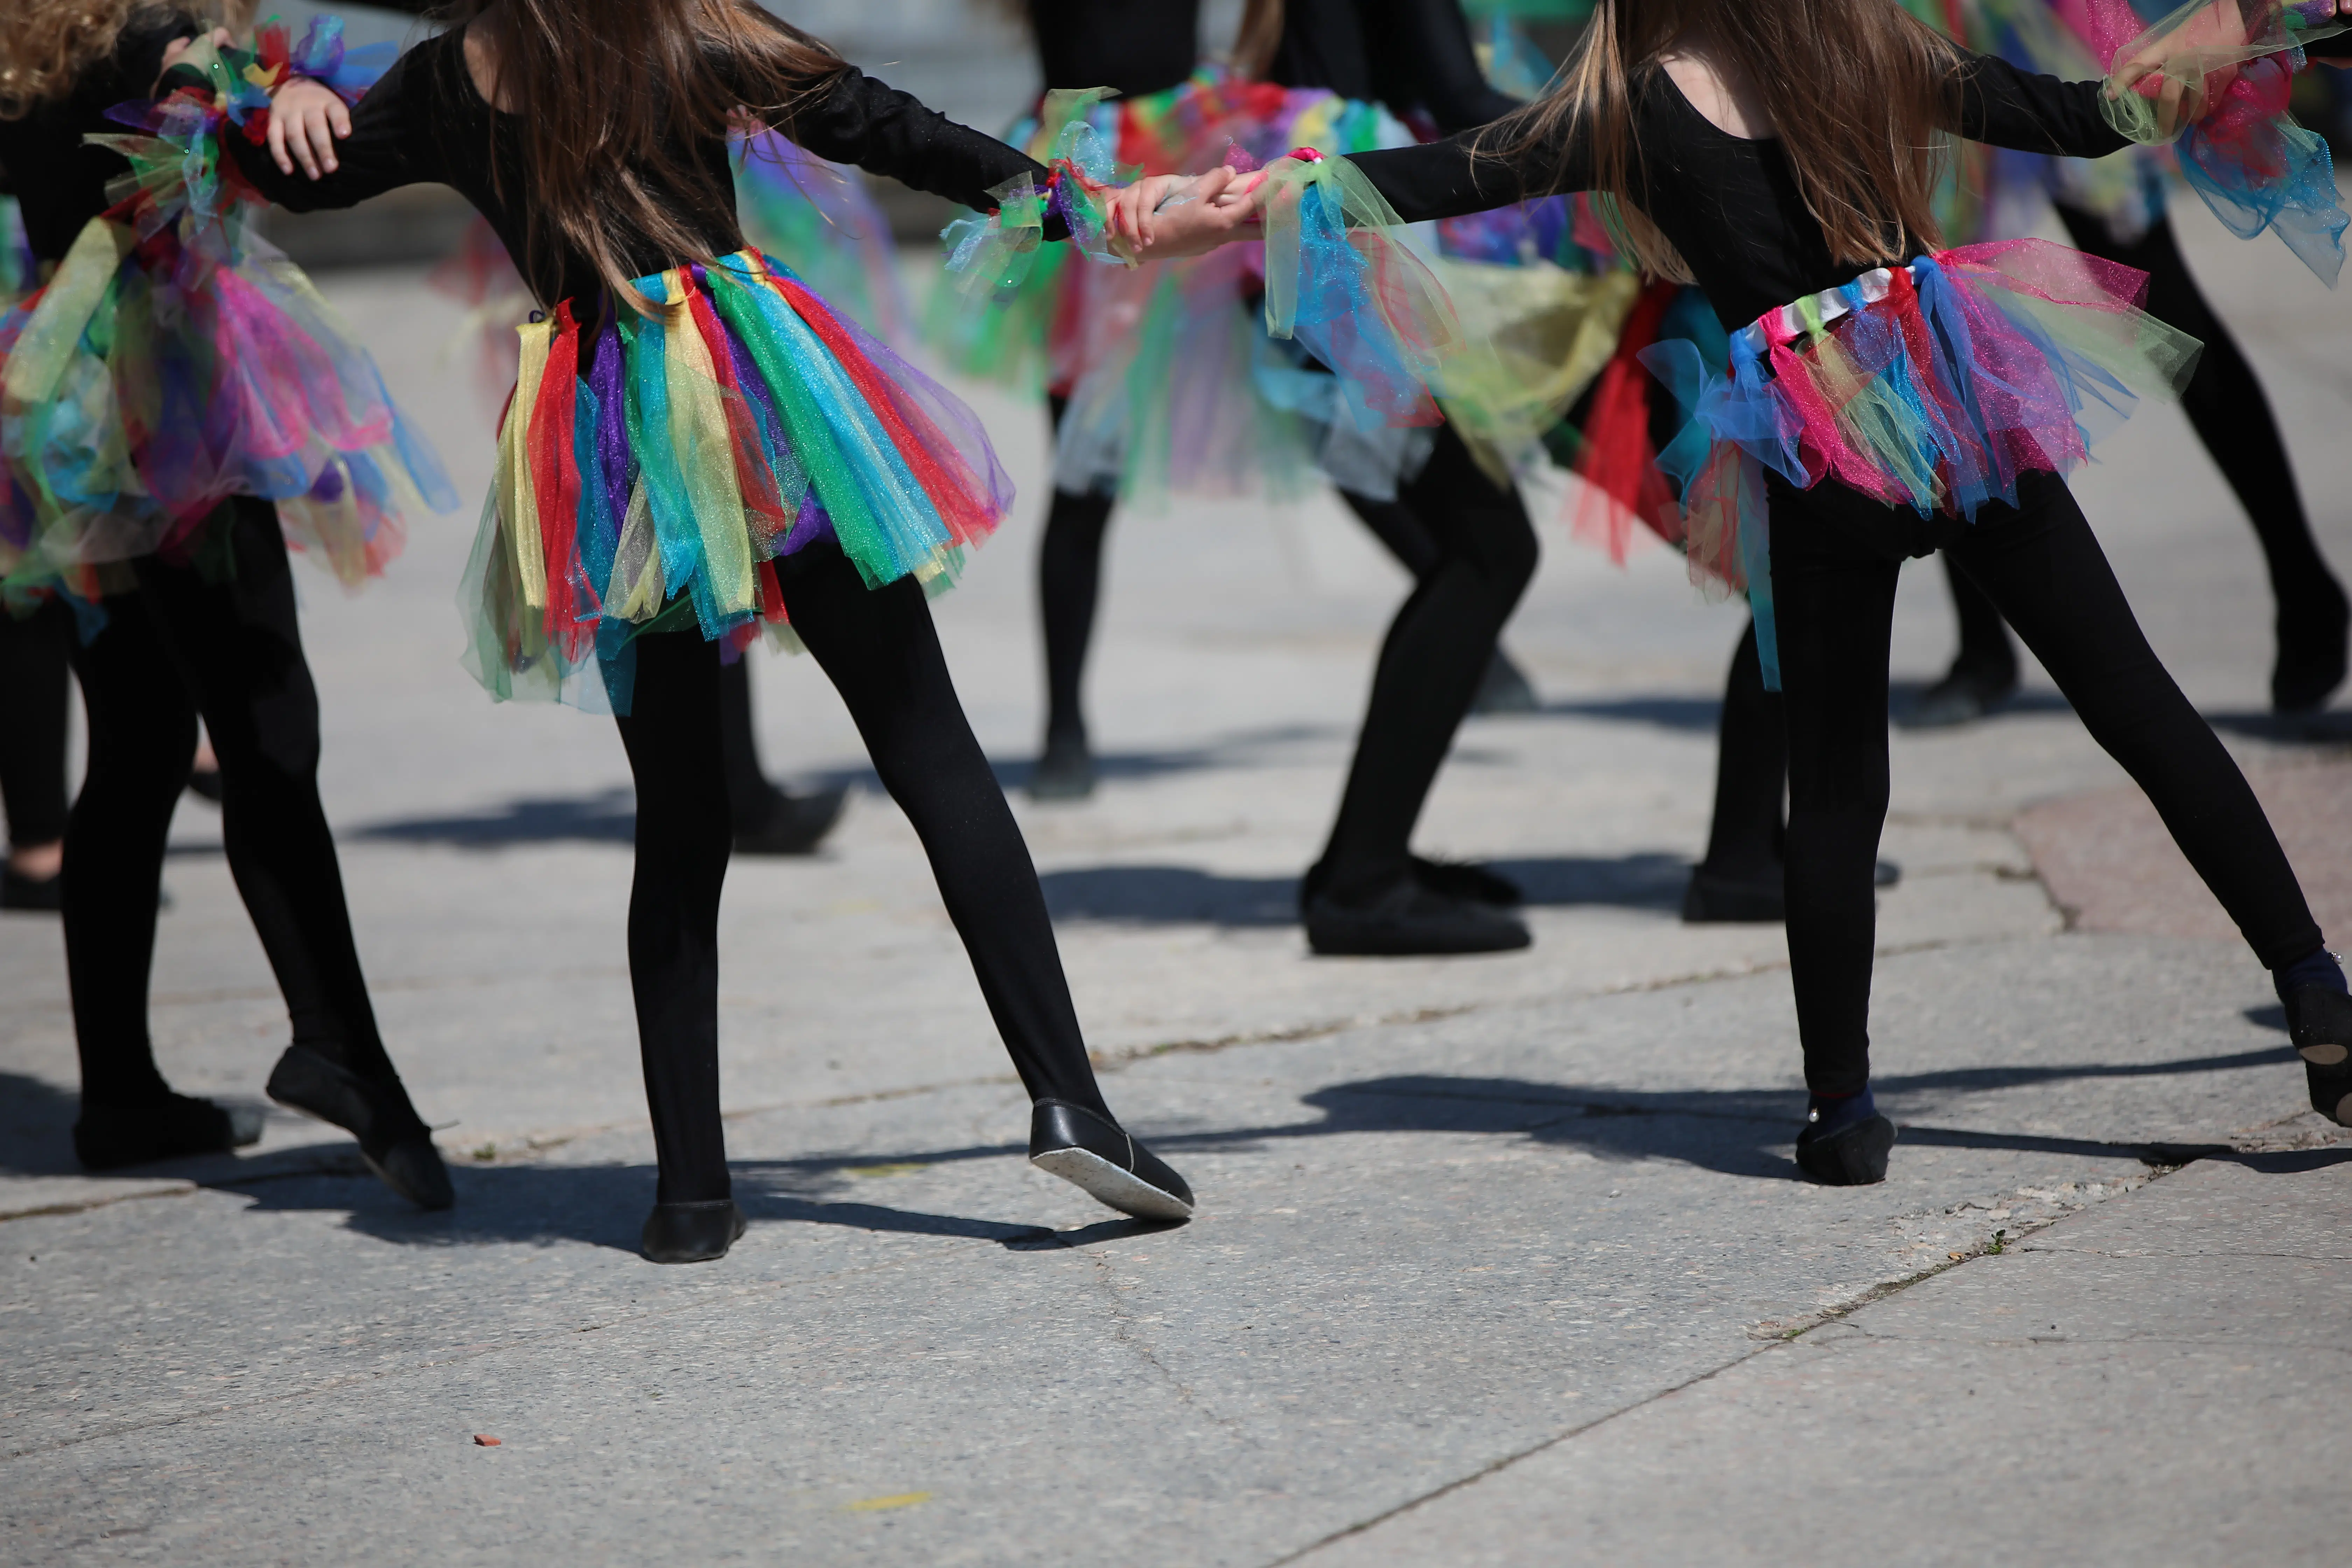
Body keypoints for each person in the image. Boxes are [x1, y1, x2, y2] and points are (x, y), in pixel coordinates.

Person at [1122, 0, 2352, 1182]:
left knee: (1830, 788)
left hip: (1817, 436)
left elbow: (1426, 177)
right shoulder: (1874, 40)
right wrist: (2249, 16)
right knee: (2139, 704)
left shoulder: (1622, 110)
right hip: (1953, 379)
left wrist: (1220, 210)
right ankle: (2313, 986)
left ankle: (1843, 1109)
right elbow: (2100, 119)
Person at [234, 0, 1208, 1260]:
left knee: (680, 818)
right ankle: (1069, 1097)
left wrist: (276, 102)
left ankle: (690, 1193)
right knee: (931, 751)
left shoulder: (444, 79)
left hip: (608, 433)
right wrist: (1084, 211)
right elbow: (895, 131)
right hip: (756, 390)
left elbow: (290, 179)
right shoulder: (682, 29)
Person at [0, 5, 458, 1203]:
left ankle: (116, 1095)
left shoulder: (23, 47)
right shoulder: (156, 24)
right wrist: (267, 81)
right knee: (269, 729)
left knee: (143, 738)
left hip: (71, 406)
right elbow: (195, 78)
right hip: (175, 399)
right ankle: (339, 1050)